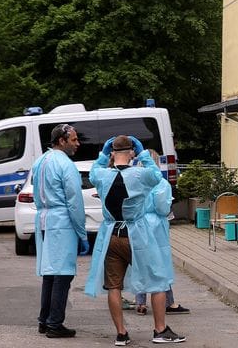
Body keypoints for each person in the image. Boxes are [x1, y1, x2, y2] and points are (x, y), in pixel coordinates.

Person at [84, 135, 186, 345]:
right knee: (157, 280)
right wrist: (142, 154)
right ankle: (160, 330)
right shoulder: (140, 174)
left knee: (113, 286)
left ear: (112, 152)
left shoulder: (102, 175)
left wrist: (103, 155)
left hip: (111, 233)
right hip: (136, 234)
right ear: (131, 152)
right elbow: (157, 176)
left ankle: (121, 333)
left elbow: (93, 172)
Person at [32, 123, 89, 338]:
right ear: (61, 141)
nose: (78, 143)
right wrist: (82, 233)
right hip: (62, 222)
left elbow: (37, 195)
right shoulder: (66, 165)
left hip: (45, 219)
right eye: (73, 140)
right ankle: (55, 324)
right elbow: (75, 202)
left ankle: (44, 321)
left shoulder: (40, 162)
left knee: (50, 273)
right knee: (63, 275)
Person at [135, 149, 189, 316]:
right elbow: (162, 207)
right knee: (160, 265)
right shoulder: (160, 183)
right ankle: (169, 302)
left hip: (138, 224)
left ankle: (140, 302)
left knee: (142, 263)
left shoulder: (134, 181)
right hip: (155, 225)